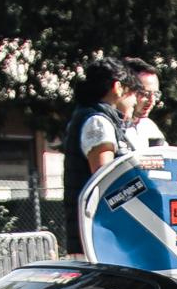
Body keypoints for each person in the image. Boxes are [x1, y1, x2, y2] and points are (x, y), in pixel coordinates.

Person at [59, 54, 163, 243]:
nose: (136, 101)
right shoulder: (98, 122)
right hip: (100, 237)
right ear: (118, 88)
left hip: (103, 234)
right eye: (135, 93)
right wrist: (146, 184)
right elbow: (107, 183)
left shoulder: (103, 119)